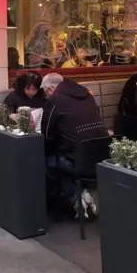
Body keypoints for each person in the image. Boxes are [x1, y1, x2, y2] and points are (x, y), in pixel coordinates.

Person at [40, 73, 109, 216]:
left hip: (77, 162)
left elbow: (46, 135)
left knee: (45, 161)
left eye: (46, 93)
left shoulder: (55, 100)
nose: (46, 96)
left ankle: (76, 196)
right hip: (102, 158)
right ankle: (82, 194)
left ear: (51, 89)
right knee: (65, 156)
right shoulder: (88, 95)